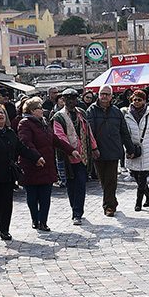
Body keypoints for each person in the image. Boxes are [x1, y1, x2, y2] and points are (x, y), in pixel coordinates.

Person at [0, 103, 42, 239]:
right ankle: (1, 226)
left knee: (7, 202)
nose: (0, 115)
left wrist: (36, 158)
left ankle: (5, 229)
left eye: (2, 112)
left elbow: (21, 148)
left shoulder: (10, 132)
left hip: (8, 173)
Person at [16, 97, 73, 230]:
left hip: (46, 165)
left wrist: (70, 150)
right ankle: (35, 219)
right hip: (31, 165)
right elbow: (26, 143)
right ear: (32, 110)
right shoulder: (24, 123)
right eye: (39, 108)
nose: (42, 110)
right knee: (32, 196)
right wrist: (36, 157)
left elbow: (55, 140)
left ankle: (43, 221)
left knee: (45, 196)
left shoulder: (44, 122)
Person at [52, 89, 95, 225]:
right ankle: (74, 209)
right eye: (68, 99)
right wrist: (70, 150)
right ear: (64, 100)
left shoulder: (81, 113)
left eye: (74, 99)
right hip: (67, 156)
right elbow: (59, 136)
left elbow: (88, 132)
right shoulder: (58, 117)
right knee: (70, 185)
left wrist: (94, 147)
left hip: (82, 155)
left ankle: (78, 212)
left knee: (81, 184)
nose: (71, 101)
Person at [85, 85, 129, 217]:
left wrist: (130, 149)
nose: (104, 96)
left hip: (114, 150)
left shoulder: (116, 112)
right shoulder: (91, 111)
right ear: (98, 95)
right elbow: (89, 132)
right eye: (102, 94)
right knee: (103, 179)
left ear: (111, 96)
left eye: (107, 94)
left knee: (111, 179)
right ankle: (111, 200)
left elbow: (124, 132)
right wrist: (94, 148)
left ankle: (109, 206)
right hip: (98, 150)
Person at [123, 89, 149, 211]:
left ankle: (138, 202)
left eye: (139, 100)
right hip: (133, 149)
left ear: (145, 101)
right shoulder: (126, 114)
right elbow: (124, 133)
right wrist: (126, 147)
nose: (137, 102)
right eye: (135, 99)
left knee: (142, 178)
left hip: (147, 149)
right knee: (135, 176)